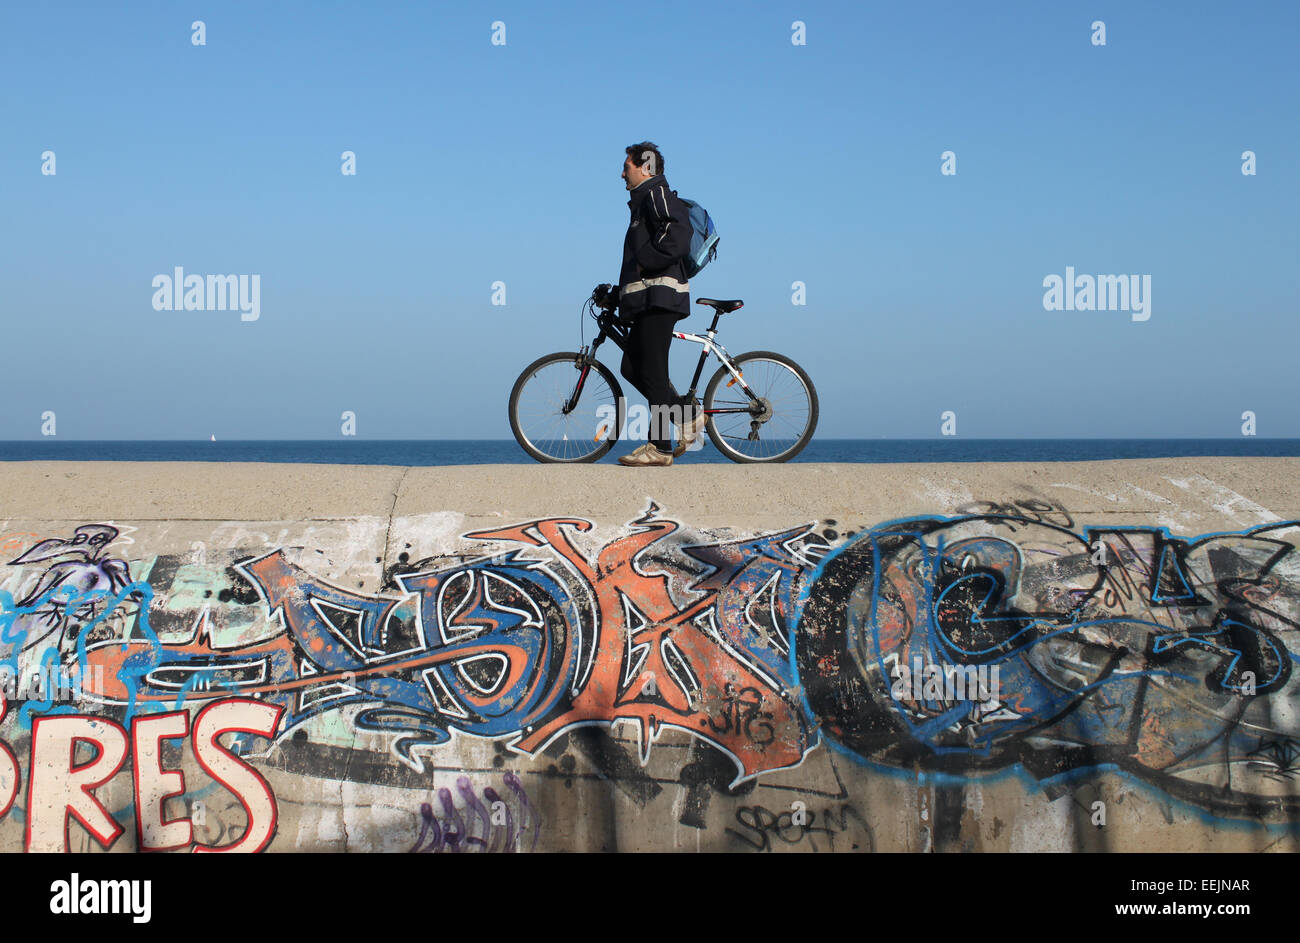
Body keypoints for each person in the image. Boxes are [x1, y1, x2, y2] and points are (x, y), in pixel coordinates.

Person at [601, 142, 707, 467]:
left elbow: (678, 234)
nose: (622, 173)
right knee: (633, 367)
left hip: (660, 296)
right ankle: (682, 419)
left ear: (645, 167)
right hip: (648, 297)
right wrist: (617, 294)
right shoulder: (642, 203)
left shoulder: (656, 193)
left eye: (627, 167)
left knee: (652, 371)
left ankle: (662, 445)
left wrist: (645, 261)